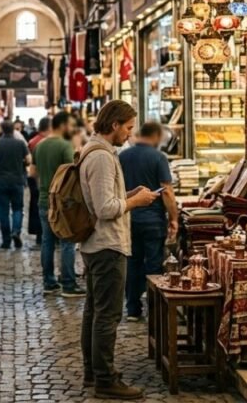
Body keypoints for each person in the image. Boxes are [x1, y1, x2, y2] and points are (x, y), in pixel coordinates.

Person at [79, 100, 159, 399]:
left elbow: (107, 198)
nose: (129, 134)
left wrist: (130, 194)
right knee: (107, 315)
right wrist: (135, 203)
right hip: (107, 244)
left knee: (94, 311)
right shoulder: (101, 157)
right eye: (127, 128)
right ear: (114, 125)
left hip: (97, 244)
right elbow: (104, 208)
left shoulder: (97, 151)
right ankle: (104, 379)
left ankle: (93, 371)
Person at [118, 121, 179, 321]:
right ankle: (154, 309)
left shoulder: (123, 156)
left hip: (129, 217)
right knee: (154, 265)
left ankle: (133, 309)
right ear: (156, 136)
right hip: (153, 220)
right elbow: (167, 191)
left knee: (133, 263)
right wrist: (174, 218)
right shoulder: (158, 157)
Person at [33, 112, 84, 297]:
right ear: (62, 125)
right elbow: (73, 172)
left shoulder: (39, 146)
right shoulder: (64, 146)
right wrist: (78, 150)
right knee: (67, 242)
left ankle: (49, 282)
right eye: (69, 125)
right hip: (63, 201)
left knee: (47, 242)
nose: (71, 128)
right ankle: (69, 284)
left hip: (44, 199)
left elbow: (33, 172)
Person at [0, 120, 31, 249]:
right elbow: (29, 160)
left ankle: (6, 240)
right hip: (17, 180)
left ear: (2, 130)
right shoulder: (20, 144)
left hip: (0, 181)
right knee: (17, 208)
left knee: (3, 211)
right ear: (13, 130)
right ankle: (16, 231)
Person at [27, 117, 50, 246]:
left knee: (37, 208)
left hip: (36, 180)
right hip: (44, 180)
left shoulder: (33, 141)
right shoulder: (44, 142)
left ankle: (39, 236)